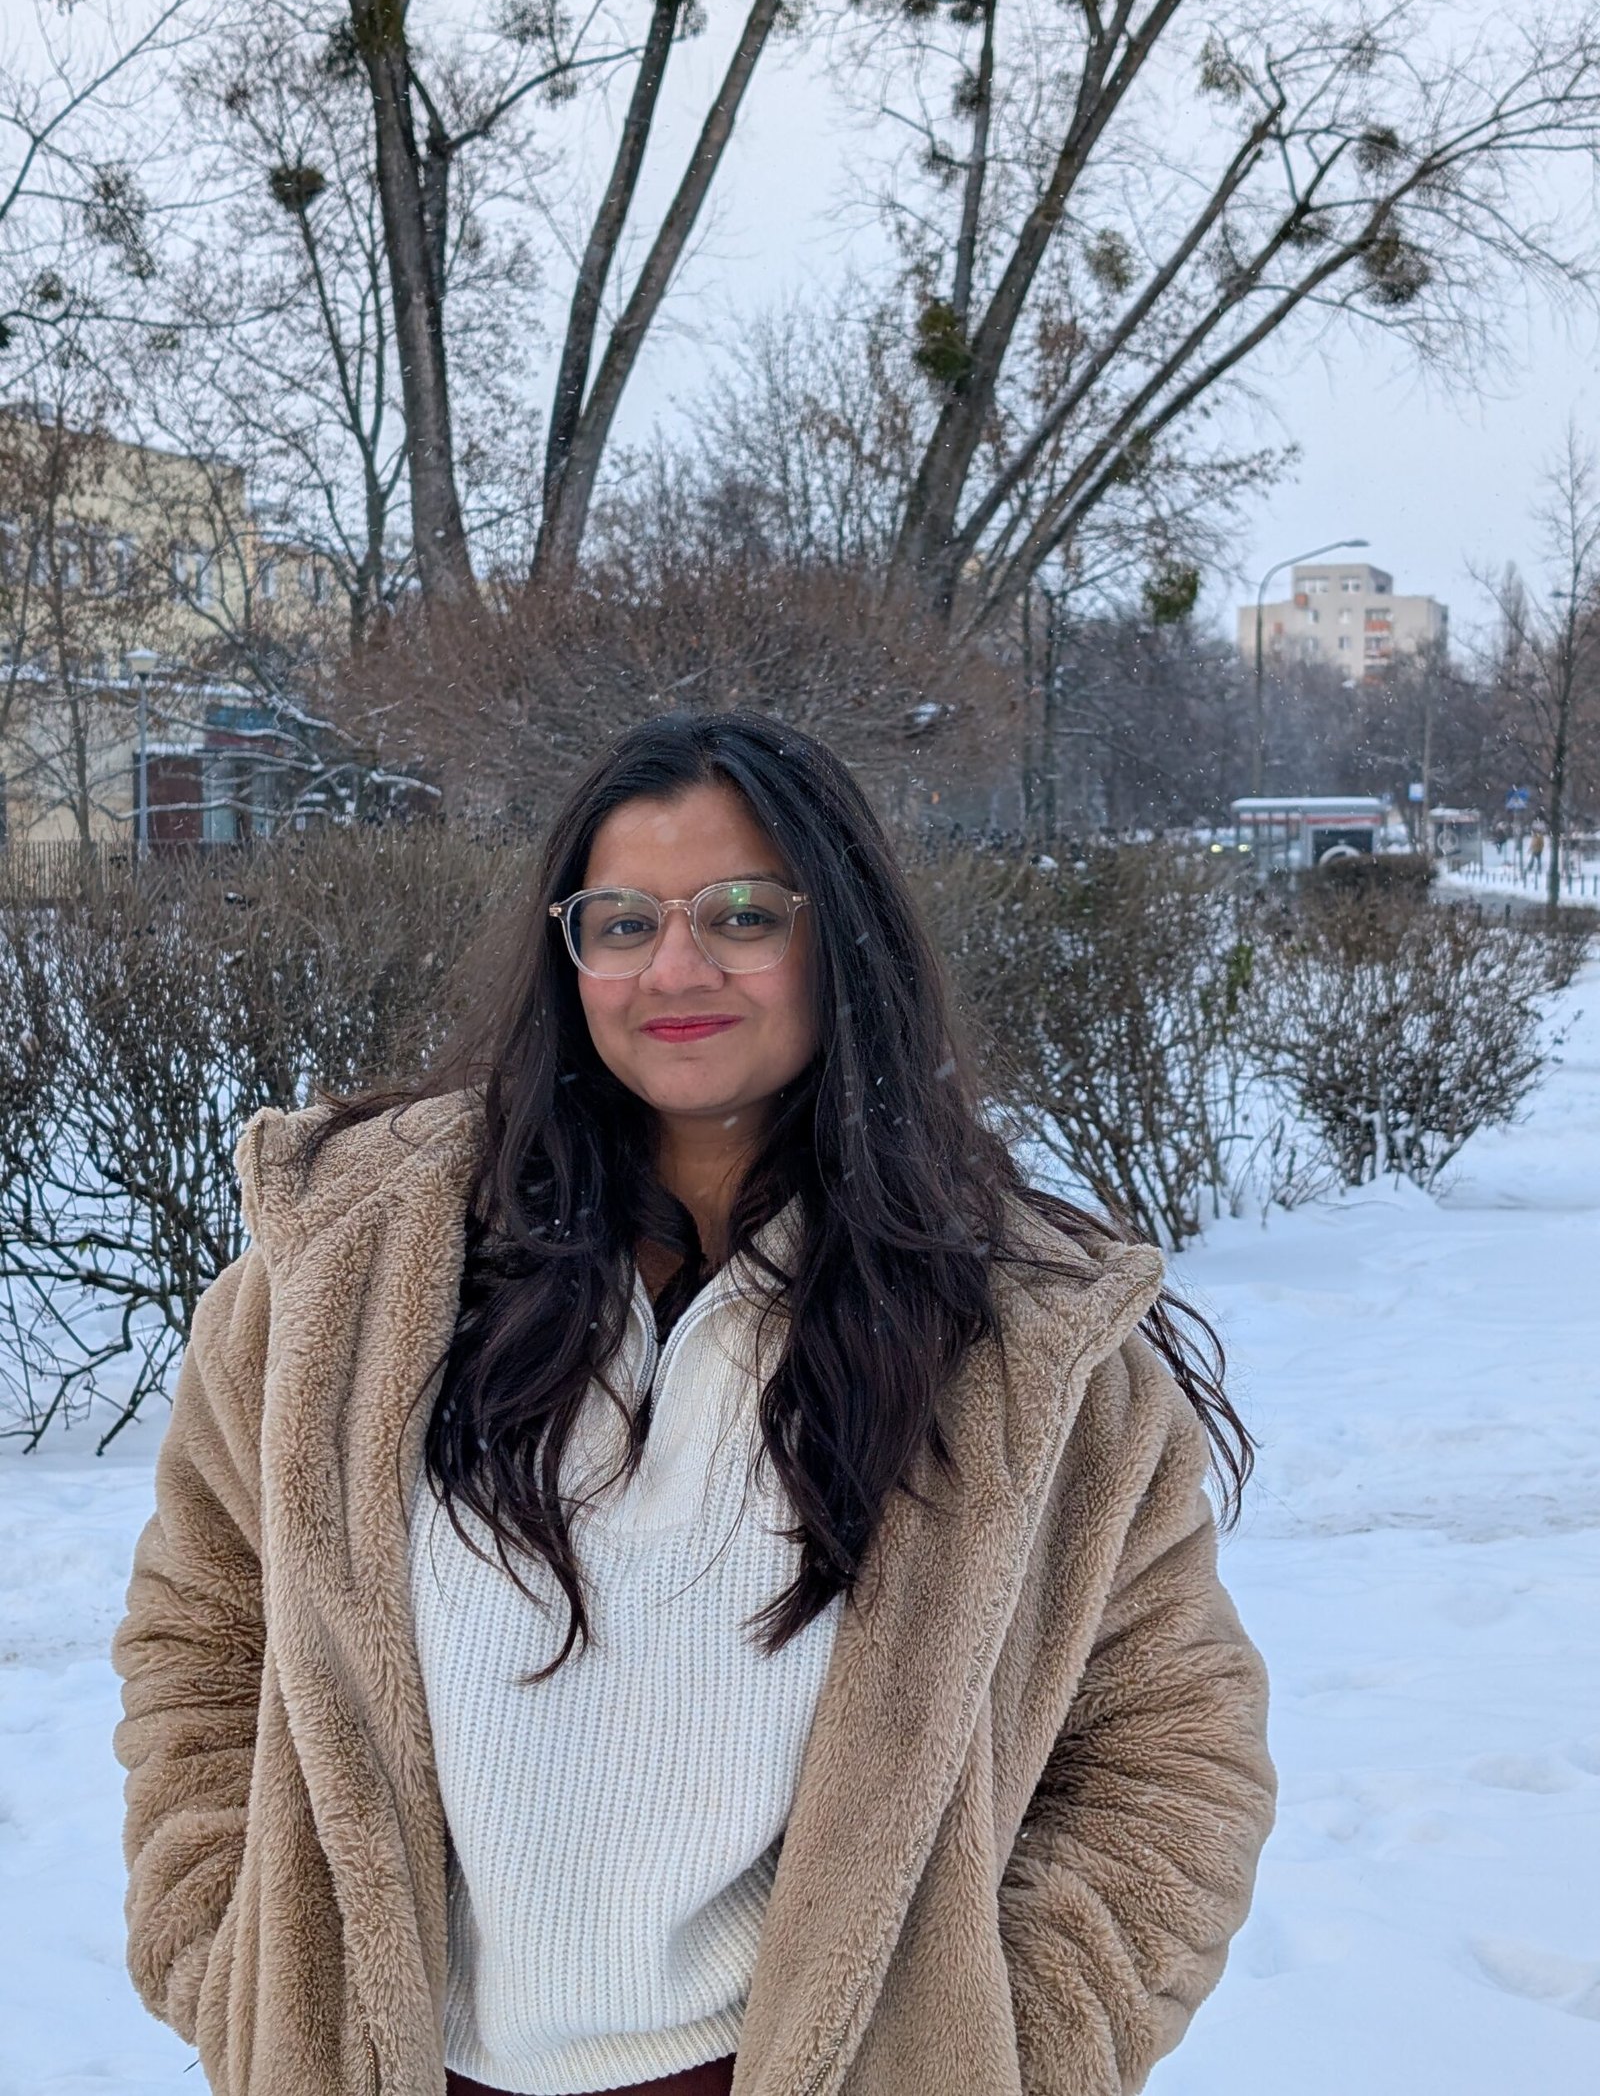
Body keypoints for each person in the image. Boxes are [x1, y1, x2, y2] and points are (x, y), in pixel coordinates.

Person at [112, 711, 1275, 2096]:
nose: (676, 968)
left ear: (839, 939)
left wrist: (1006, 2046)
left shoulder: (1020, 1342)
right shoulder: (346, 1285)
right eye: (621, 921)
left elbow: (1169, 1745)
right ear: (570, 953)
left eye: (741, 913)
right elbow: (203, 1641)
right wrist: (234, 1953)